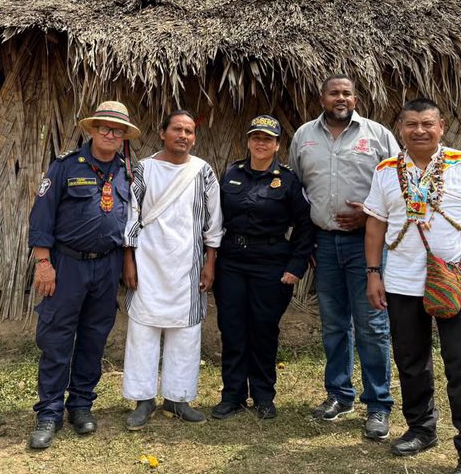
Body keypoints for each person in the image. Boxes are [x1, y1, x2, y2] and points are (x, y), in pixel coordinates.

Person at [363, 97, 461, 474]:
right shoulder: (386, 170)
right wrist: (373, 273)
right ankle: (421, 428)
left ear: (441, 127)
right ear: (400, 129)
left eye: (428, 124)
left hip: (458, 282)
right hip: (401, 282)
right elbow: (375, 224)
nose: (420, 130)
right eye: (411, 124)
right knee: (410, 362)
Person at [26, 101, 142, 450]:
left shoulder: (127, 173)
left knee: (94, 338)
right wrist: (43, 263)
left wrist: (125, 262)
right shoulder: (65, 167)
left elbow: (131, 223)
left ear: (123, 137)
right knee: (57, 339)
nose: (110, 133)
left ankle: (80, 406)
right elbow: (42, 216)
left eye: (117, 130)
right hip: (67, 265)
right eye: (104, 127)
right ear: (91, 130)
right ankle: (49, 413)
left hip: (106, 267)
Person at [288, 75, 399, 439]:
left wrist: (369, 215)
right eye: (334, 92)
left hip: (366, 244)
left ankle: (378, 405)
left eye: (347, 93)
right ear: (321, 97)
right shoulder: (304, 136)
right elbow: (298, 191)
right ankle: (339, 395)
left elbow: (401, 188)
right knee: (334, 324)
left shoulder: (378, 136)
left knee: (372, 326)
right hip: (324, 244)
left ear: (356, 98)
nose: (340, 98)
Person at [122, 110, 223, 428]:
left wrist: (210, 262)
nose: (183, 135)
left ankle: (178, 398)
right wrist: (129, 260)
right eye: (177, 129)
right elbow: (131, 216)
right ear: (162, 132)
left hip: (188, 268)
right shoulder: (144, 169)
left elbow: (214, 221)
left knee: (186, 332)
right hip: (148, 264)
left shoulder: (202, 171)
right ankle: (143, 399)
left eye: (189, 131)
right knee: (143, 331)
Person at [212, 114, 314, 421]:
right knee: (231, 328)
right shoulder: (231, 173)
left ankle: (263, 395)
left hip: (270, 262)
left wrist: (296, 265)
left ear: (277, 145)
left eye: (267, 138)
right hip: (231, 262)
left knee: (263, 330)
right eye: (256, 137)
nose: (261, 142)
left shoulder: (288, 179)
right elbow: (215, 219)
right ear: (248, 140)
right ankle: (232, 395)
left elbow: (306, 224)